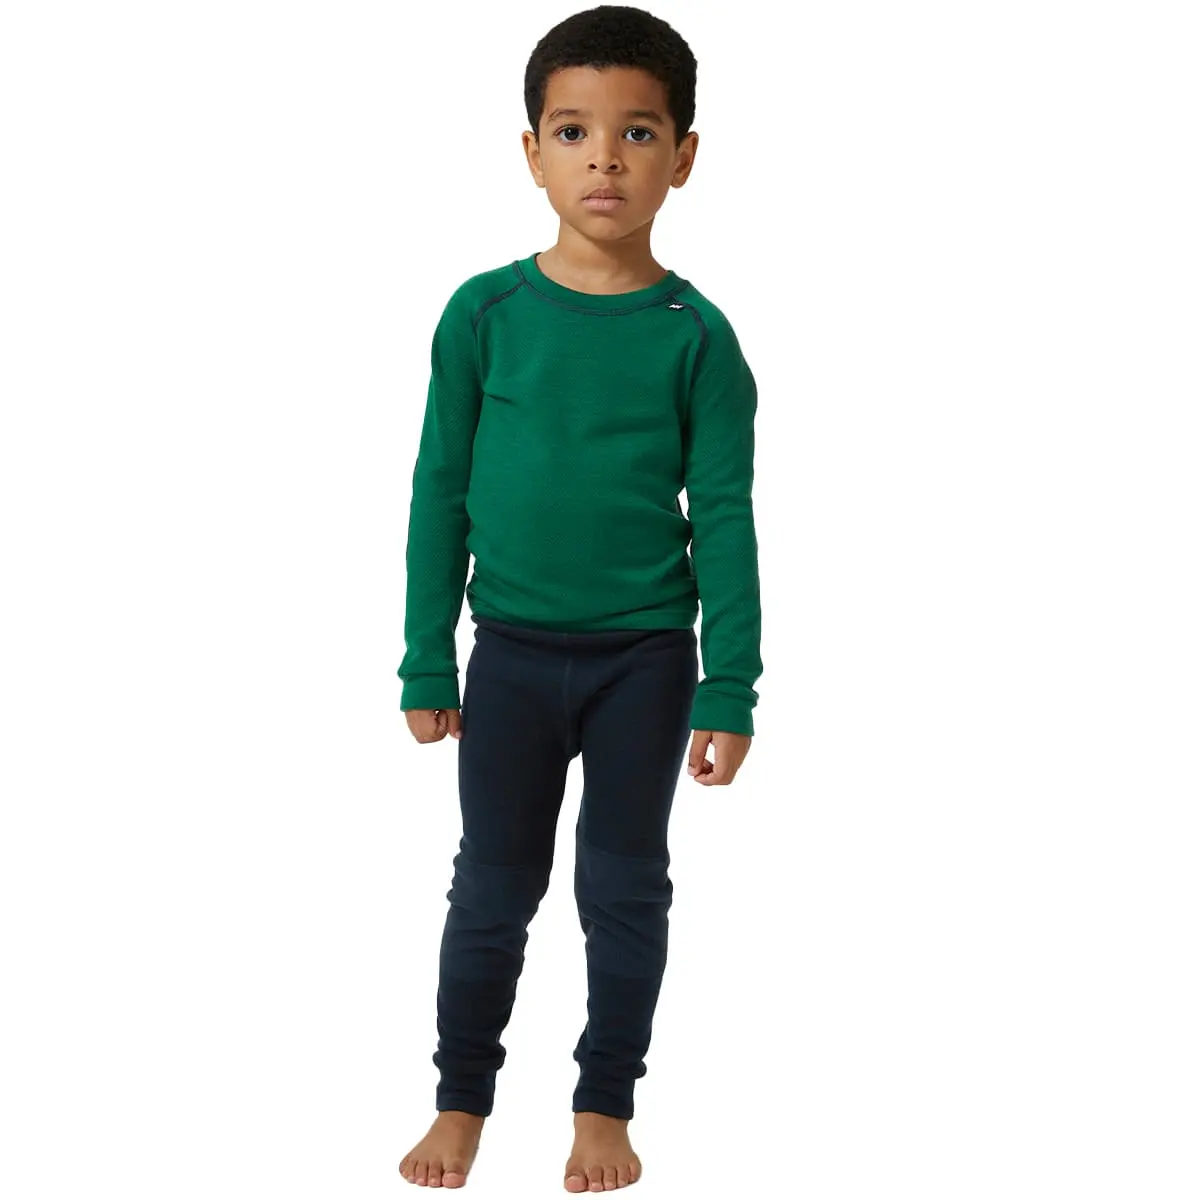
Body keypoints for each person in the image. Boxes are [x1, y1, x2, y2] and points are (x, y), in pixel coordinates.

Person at [396, 5, 762, 1191]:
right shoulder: (484, 315)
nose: (605, 158)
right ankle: (462, 1097)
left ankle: (605, 1104)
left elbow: (725, 518)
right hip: (507, 653)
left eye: (637, 132)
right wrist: (426, 657)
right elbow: (439, 489)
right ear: (532, 151)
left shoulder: (697, 338)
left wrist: (729, 686)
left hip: (644, 661)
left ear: (683, 157)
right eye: (574, 130)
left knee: (623, 884)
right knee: (492, 886)